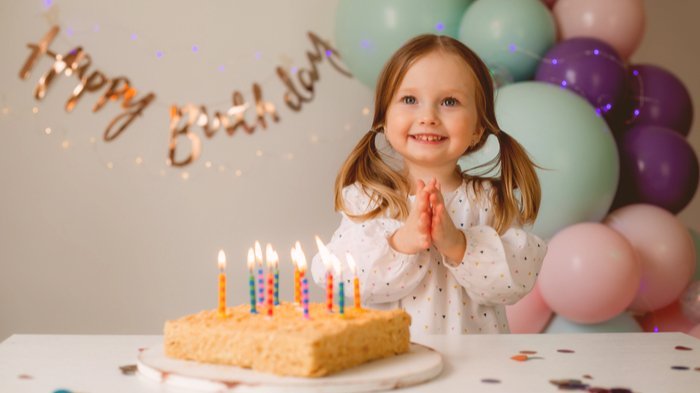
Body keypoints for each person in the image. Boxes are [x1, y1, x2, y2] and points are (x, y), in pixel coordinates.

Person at [311, 34, 547, 335]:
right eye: (410, 100)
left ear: (478, 128)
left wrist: (460, 244)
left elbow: (517, 280)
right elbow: (336, 274)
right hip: (395, 365)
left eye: (449, 102)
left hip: (476, 372)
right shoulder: (368, 201)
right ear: (384, 118)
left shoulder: (490, 202)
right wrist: (401, 242)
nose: (428, 117)